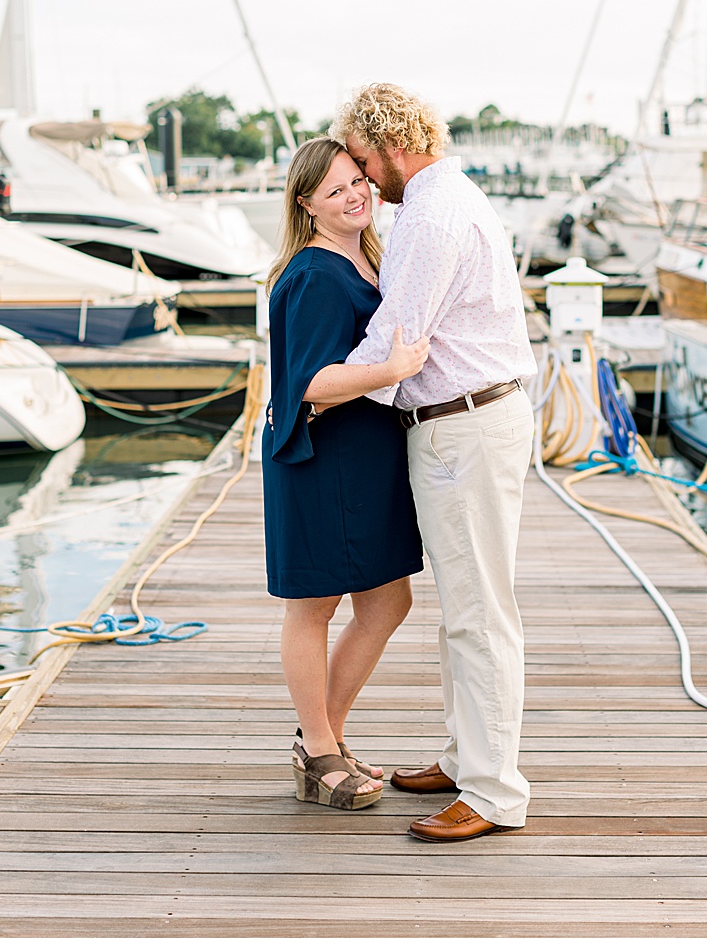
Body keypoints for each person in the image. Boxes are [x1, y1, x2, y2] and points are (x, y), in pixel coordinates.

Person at [334, 82, 538, 843]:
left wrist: (313, 393)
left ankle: (493, 792)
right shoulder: (448, 199)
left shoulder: (428, 213)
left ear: (387, 145)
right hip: (471, 418)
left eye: (359, 160)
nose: (361, 180)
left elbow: (399, 334)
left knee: (480, 613)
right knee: (467, 606)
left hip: (464, 424)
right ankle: (465, 758)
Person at [264, 137, 430, 811]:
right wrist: (392, 370)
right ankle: (321, 748)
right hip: (319, 459)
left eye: (357, 180)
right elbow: (309, 384)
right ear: (307, 205)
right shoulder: (310, 274)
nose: (355, 194)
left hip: (367, 460)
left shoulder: (367, 257)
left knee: (389, 602)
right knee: (315, 607)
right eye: (334, 191)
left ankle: (319, 736)